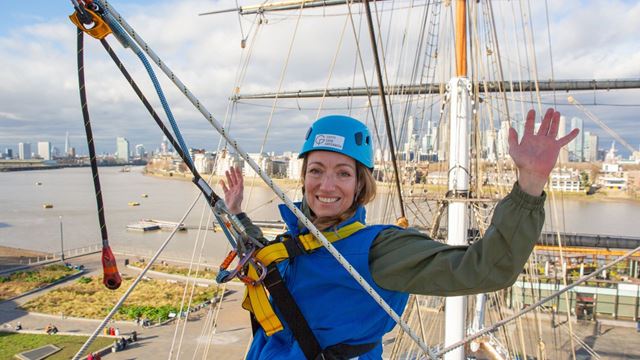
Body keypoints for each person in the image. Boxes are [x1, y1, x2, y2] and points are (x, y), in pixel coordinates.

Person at [220, 110, 578, 359]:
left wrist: (530, 184)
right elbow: (267, 264)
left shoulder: (378, 250)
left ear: (361, 184)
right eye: (316, 170)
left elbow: (484, 269)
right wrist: (236, 213)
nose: (326, 185)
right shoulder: (301, 242)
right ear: (304, 178)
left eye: (343, 173)